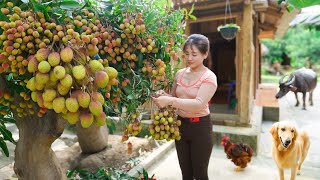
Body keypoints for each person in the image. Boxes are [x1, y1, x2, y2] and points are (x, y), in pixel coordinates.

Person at [152, 34, 217, 180]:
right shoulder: (180, 74)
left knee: (200, 174)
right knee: (186, 174)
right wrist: (163, 96)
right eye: (187, 54)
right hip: (180, 126)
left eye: (194, 54)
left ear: (205, 54)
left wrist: (170, 101)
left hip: (200, 128)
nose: (189, 58)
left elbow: (198, 104)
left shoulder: (209, 77)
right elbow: (174, 97)